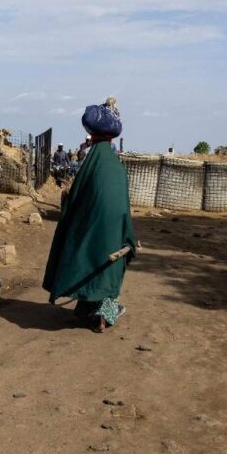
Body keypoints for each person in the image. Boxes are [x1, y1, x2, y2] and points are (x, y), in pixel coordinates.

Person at [43, 97, 137, 333]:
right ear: (112, 138)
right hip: (114, 231)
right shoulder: (116, 167)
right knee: (107, 267)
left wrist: (73, 224)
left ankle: (95, 313)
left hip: (92, 229)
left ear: (91, 136)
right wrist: (126, 233)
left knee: (88, 257)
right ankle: (101, 316)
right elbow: (123, 206)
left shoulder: (91, 165)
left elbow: (76, 202)